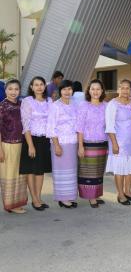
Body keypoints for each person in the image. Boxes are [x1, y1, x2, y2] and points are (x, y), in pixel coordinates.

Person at [105, 79, 131, 205]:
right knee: (119, 169)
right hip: (118, 142)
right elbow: (109, 125)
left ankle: (128, 191)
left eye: (128, 88)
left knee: (130, 167)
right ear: (118, 89)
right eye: (123, 88)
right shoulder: (112, 104)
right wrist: (114, 143)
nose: (125, 90)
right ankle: (120, 194)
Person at [20, 76, 52, 211]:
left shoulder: (49, 101)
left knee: (40, 170)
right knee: (31, 170)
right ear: (31, 87)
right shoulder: (27, 101)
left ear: (45, 86)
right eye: (36, 85)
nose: (39, 87)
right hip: (31, 139)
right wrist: (30, 145)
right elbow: (25, 124)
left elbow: (52, 122)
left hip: (45, 140)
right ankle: (34, 199)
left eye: (41, 84)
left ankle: (39, 197)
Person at [46, 79, 78, 208]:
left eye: (69, 89)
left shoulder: (75, 104)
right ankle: (63, 198)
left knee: (71, 171)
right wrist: (57, 145)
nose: (67, 91)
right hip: (60, 143)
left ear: (72, 91)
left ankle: (69, 196)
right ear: (60, 91)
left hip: (72, 142)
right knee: (61, 171)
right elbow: (51, 127)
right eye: (64, 89)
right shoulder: (55, 106)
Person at [77, 79, 108, 208]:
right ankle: (91, 197)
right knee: (89, 172)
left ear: (102, 91)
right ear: (89, 91)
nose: (95, 91)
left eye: (98, 89)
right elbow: (79, 127)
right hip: (88, 144)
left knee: (99, 171)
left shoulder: (106, 106)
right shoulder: (83, 106)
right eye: (93, 89)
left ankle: (97, 194)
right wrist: (80, 146)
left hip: (102, 143)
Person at [0, 79, 28, 214]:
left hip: (22, 145)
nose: (13, 92)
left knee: (20, 176)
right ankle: (10, 204)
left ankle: (17, 203)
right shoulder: (2, 106)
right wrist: (0, 150)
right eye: (10, 89)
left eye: (16, 89)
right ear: (5, 90)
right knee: (9, 175)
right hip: (7, 146)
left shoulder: (22, 105)